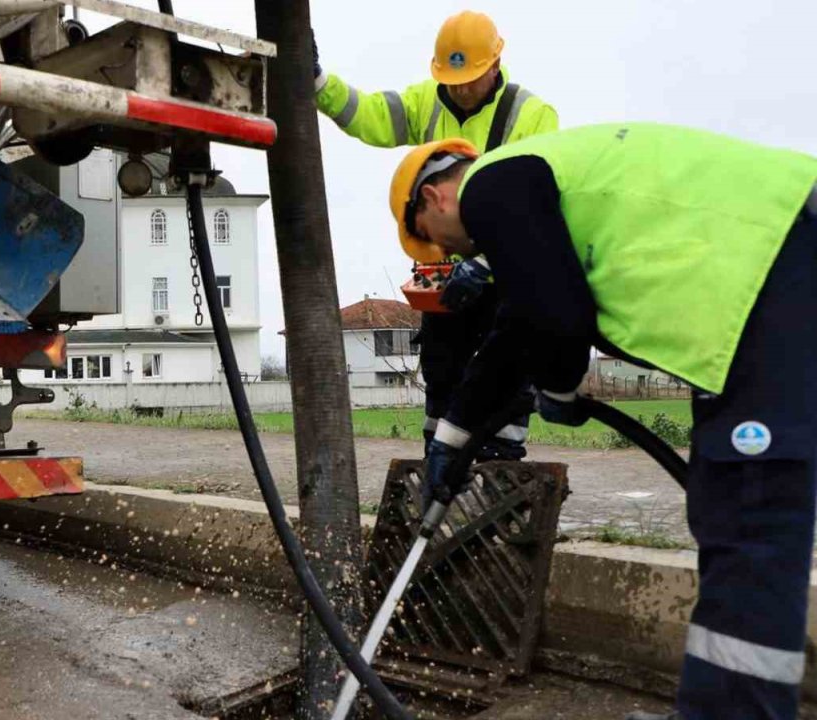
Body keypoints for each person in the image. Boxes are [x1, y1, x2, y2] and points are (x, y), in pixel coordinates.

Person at [390, 124, 817, 720]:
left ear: (432, 199)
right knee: (733, 506)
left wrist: (561, 385)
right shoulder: (542, 190)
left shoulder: (492, 185)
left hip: (774, 261)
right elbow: (517, 331)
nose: (453, 257)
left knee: (752, 508)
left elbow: (558, 320)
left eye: (435, 244)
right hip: (764, 271)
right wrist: (452, 439)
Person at [313, 10, 559, 460]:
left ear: (495, 65)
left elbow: (536, 209)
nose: (462, 89)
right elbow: (369, 115)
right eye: (454, 79)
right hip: (442, 277)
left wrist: (484, 263)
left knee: (503, 368)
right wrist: (318, 82)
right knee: (443, 373)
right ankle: (440, 457)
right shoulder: (426, 101)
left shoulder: (532, 116)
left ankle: (499, 467)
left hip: (502, 275)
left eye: (472, 78)